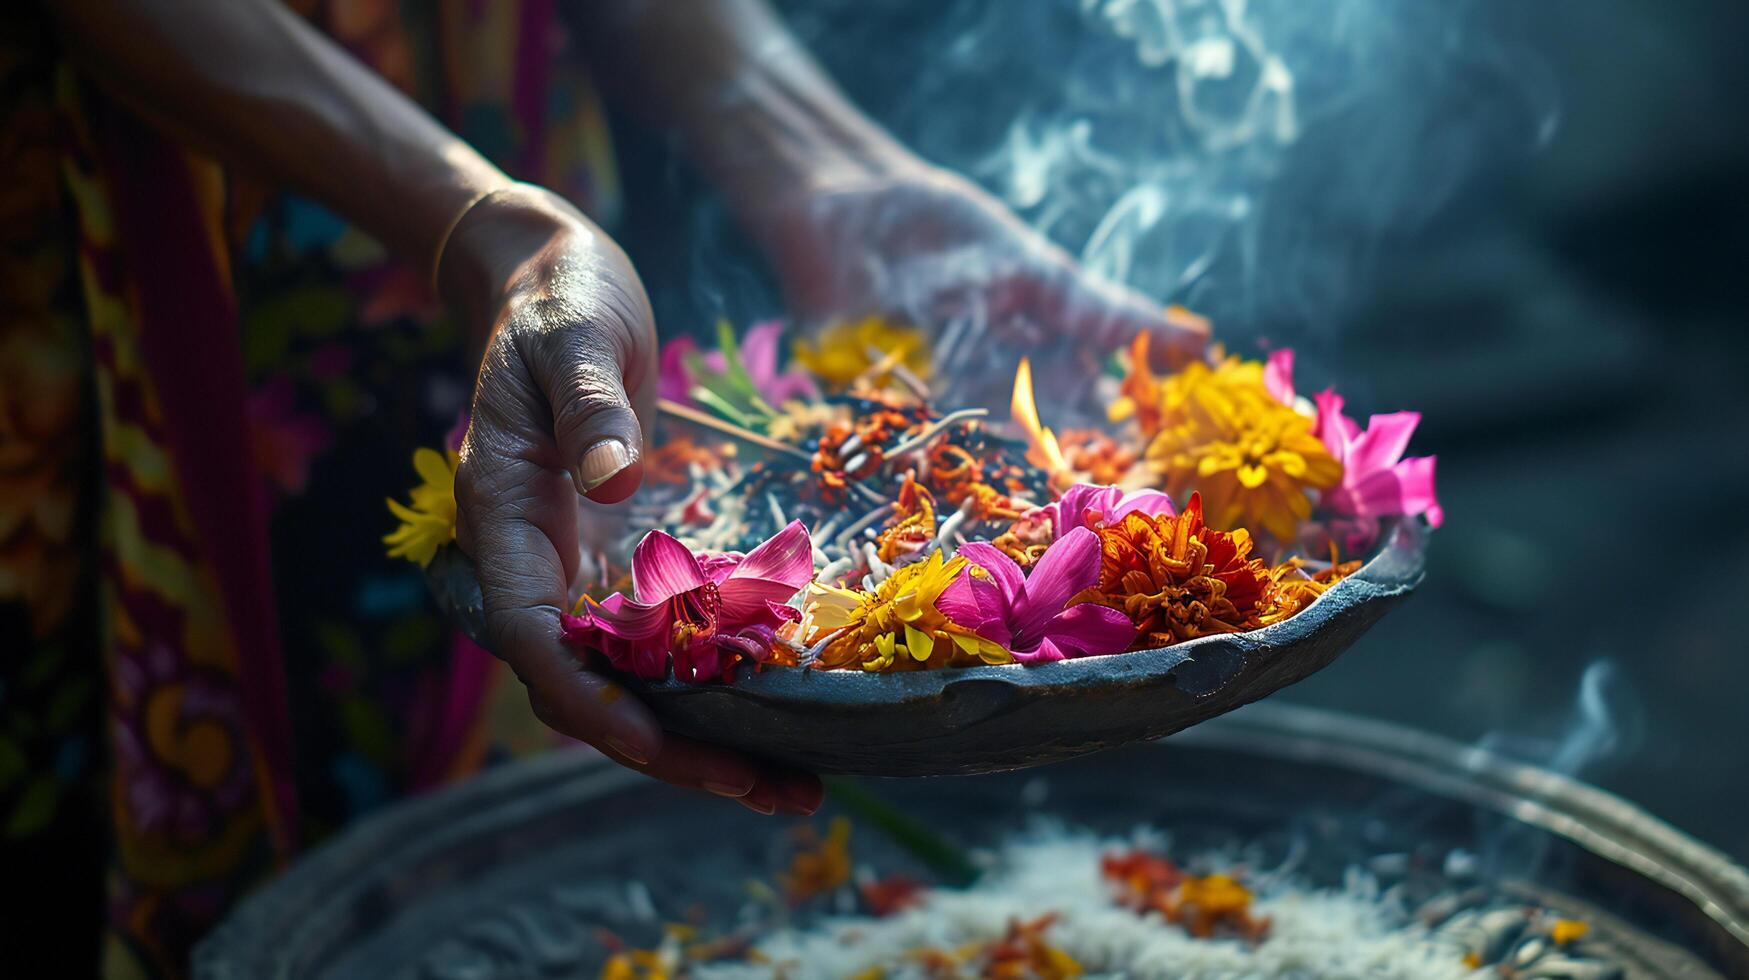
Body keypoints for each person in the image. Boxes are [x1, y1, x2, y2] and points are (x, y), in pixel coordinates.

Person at [1, 0, 1207, 974]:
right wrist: (489, 229)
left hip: (516, 194)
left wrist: (814, 163)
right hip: (152, 246)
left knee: (509, 699)